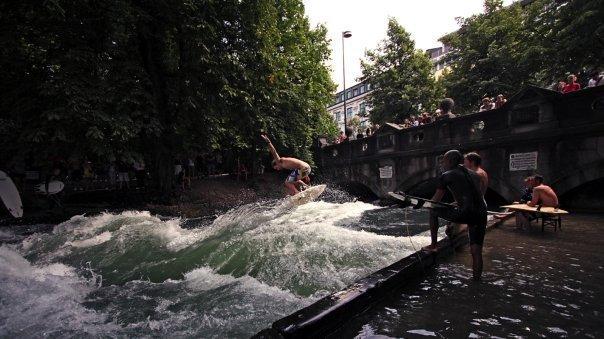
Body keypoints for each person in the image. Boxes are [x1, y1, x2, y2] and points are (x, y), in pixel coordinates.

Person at [423, 150, 487, 281]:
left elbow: (434, 202)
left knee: (433, 211)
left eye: (444, 161)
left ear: (451, 161)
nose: (443, 163)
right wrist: (455, 204)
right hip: (481, 213)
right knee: (476, 251)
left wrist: (422, 204)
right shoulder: (475, 175)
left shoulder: (446, 175)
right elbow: (471, 196)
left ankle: (434, 245)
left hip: (466, 212)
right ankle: (476, 282)